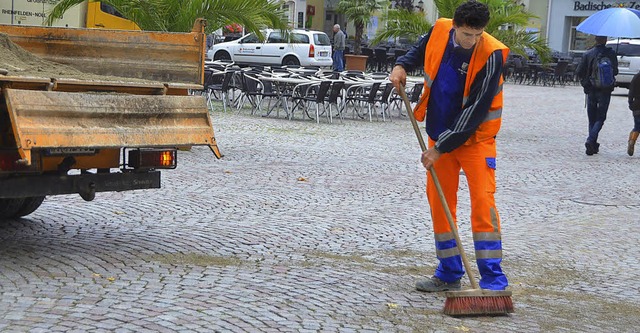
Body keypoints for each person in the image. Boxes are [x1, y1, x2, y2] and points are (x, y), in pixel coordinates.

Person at [389, 0, 509, 292]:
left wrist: (439, 149)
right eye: (467, 34)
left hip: (475, 140)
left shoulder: (492, 54)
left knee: (483, 204)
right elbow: (418, 51)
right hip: (438, 133)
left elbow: (475, 111)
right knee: (441, 204)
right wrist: (401, 66)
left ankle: (493, 279)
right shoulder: (440, 29)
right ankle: (449, 272)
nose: (472, 41)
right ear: (455, 26)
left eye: (477, 35)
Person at [576, 35, 618, 156]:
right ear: (605, 40)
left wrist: (585, 84)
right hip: (605, 90)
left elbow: (579, 71)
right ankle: (591, 141)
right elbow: (615, 71)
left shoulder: (588, 54)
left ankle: (592, 144)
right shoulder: (611, 54)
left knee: (592, 118)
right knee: (601, 117)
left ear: (595, 39)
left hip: (591, 89)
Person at [627, 71, 640, 156]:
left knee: (637, 126)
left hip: (637, 105)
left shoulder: (636, 77)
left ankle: (632, 140)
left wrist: (630, 103)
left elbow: (631, 92)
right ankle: (632, 141)